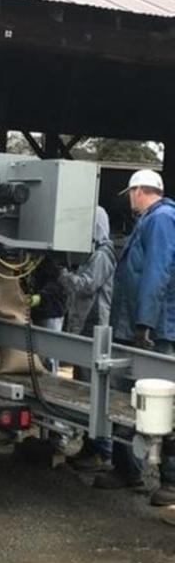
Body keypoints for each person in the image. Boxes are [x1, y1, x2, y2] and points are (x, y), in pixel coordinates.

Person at [93, 169, 175, 506]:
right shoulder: (151, 221)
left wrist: (145, 323)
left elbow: (159, 269)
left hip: (154, 329)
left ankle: (170, 479)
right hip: (138, 326)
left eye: (130, 193)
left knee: (163, 400)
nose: (128, 199)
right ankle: (127, 468)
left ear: (140, 191)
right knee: (130, 398)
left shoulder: (162, 220)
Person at [58, 207, 116, 471]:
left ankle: (101, 450)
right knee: (83, 385)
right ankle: (90, 445)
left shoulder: (102, 255)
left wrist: (64, 277)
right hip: (84, 323)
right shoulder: (92, 253)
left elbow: (88, 285)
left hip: (93, 325)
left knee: (92, 388)